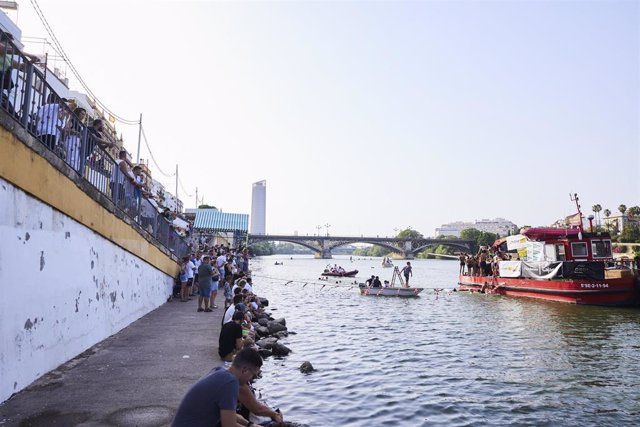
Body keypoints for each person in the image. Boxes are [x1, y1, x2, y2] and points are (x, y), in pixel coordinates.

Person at [172, 348, 262, 427]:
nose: (251, 379)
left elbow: (228, 414)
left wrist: (249, 424)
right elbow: (229, 425)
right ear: (245, 370)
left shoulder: (220, 371)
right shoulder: (230, 383)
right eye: (253, 375)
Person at [63, 107, 87, 171]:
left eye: (84, 114)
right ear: (78, 113)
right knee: (71, 157)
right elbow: (65, 129)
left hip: (77, 141)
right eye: (82, 114)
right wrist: (72, 131)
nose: (83, 116)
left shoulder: (81, 124)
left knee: (76, 159)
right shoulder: (72, 120)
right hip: (71, 139)